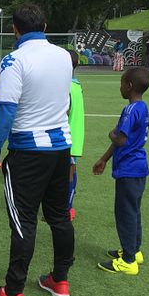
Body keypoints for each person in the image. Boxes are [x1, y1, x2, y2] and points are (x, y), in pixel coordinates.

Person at [0, 5, 74, 296]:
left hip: (28, 153)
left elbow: (5, 110)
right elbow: (65, 101)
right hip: (61, 149)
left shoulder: (14, 60)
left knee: (24, 223)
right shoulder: (63, 56)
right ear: (45, 25)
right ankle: (60, 281)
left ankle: (13, 293)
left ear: (14, 30)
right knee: (59, 216)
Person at [93, 67, 149, 275]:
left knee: (125, 212)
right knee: (134, 210)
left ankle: (128, 261)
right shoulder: (142, 107)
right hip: (138, 167)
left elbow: (120, 139)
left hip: (129, 168)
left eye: (121, 83)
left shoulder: (130, 110)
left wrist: (110, 134)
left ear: (129, 86)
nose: (120, 87)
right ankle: (134, 250)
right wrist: (104, 159)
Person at [67, 51, 85, 221]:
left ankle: (67, 209)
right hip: (74, 139)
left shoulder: (67, 86)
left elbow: (64, 112)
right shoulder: (76, 84)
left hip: (68, 140)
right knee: (67, 174)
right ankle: (65, 207)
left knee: (69, 175)